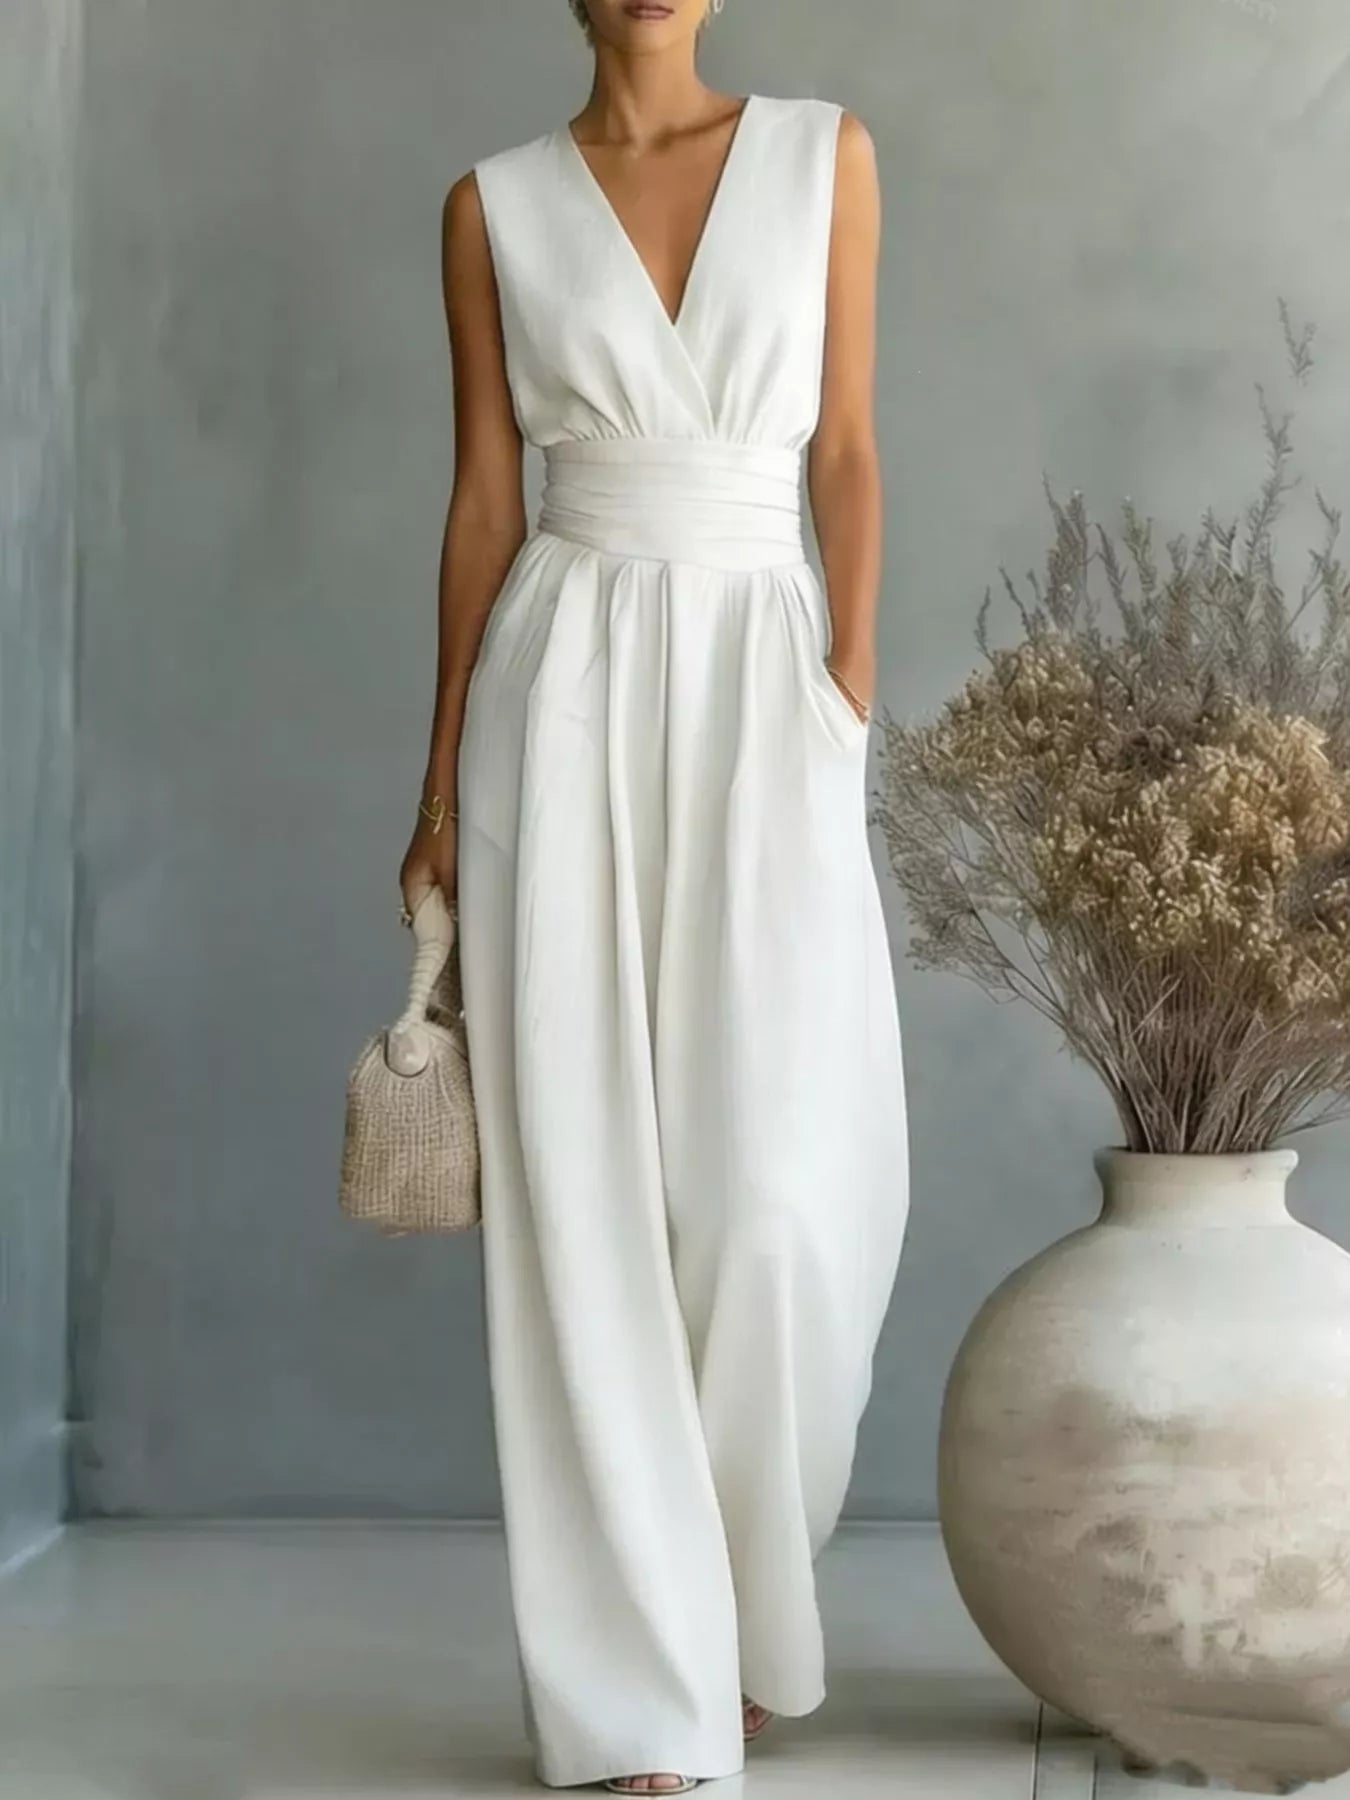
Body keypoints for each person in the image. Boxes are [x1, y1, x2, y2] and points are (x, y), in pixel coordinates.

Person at [399, 1, 910, 1789]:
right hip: (559, 690)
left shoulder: (823, 156)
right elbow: (484, 502)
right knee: (583, 1186)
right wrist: (436, 780)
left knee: (775, 1198)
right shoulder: (492, 205)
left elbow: (843, 447)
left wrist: (848, 683)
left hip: (767, 676)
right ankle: (639, 1693)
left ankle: (744, 1609)